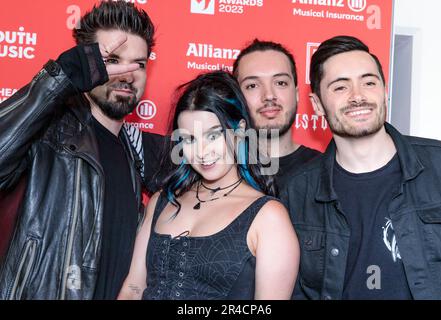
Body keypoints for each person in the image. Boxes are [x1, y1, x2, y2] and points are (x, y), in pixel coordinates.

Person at [0, 0, 164, 299]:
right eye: (112, 60)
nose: (128, 73)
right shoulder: (48, 134)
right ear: (86, 64)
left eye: (139, 63)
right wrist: (60, 77)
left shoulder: (135, 154)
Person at [281, 35, 441, 299]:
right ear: (317, 105)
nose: (358, 96)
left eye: (369, 82)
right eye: (340, 87)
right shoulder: (298, 192)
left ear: (384, 91)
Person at [118, 71, 299, 300]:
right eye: (189, 139)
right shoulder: (162, 201)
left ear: (240, 130)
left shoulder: (268, 216)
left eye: (213, 136)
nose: (202, 152)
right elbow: (133, 289)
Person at [232, 39, 320, 188]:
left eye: (280, 83)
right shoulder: (220, 171)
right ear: (236, 97)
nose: (269, 95)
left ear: (297, 94)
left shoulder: (326, 170)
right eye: (252, 86)